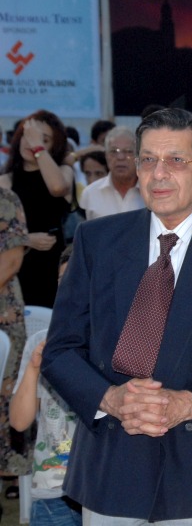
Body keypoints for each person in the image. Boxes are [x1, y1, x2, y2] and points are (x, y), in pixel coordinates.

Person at [41, 108, 192, 523]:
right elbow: (60, 350)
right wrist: (110, 399)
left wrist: (190, 404)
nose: (159, 174)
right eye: (148, 160)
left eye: (176, 160)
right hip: (112, 466)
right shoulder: (96, 241)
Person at [10, 245, 80, 526]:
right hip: (53, 492)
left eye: (79, 279)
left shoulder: (120, 344)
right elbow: (19, 421)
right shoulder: (39, 341)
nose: (69, 289)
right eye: (63, 281)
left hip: (102, 491)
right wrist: (33, 368)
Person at [0, 109, 72, 308]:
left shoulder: (64, 171)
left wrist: (37, 147)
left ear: (54, 147)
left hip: (54, 267)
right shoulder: (5, 181)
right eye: (28, 135)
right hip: (15, 269)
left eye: (43, 139)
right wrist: (25, 239)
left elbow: (57, 188)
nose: (30, 142)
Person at [0, 186, 31, 507]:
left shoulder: (5, 200)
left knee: (7, 402)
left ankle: (11, 473)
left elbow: (10, 261)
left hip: (3, 319)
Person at [79, 126, 144, 220]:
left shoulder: (152, 193)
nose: (120, 157)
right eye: (114, 151)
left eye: (128, 151)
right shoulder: (90, 193)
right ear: (106, 155)